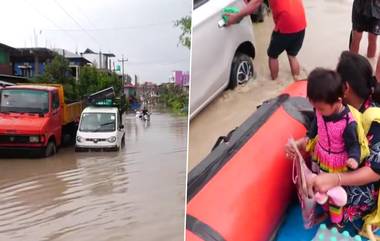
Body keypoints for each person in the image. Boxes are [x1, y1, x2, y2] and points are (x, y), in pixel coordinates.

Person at [288, 51, 380, 231]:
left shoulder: (374, 120)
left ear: (345, 88)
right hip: (336, 165)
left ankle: (340, 217)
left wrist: (336, 179)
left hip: (361, 182)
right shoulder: (339, 108)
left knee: (333, 197)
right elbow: (321, 131)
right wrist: (301, 143)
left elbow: (376, 171)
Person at [226, 0, 306, 80]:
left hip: (286, 22)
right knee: (292, 55)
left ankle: (275, 82)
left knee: (273, 55)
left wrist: (235, 17)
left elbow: (254, 4)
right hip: (301, 22)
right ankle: (297, 81)